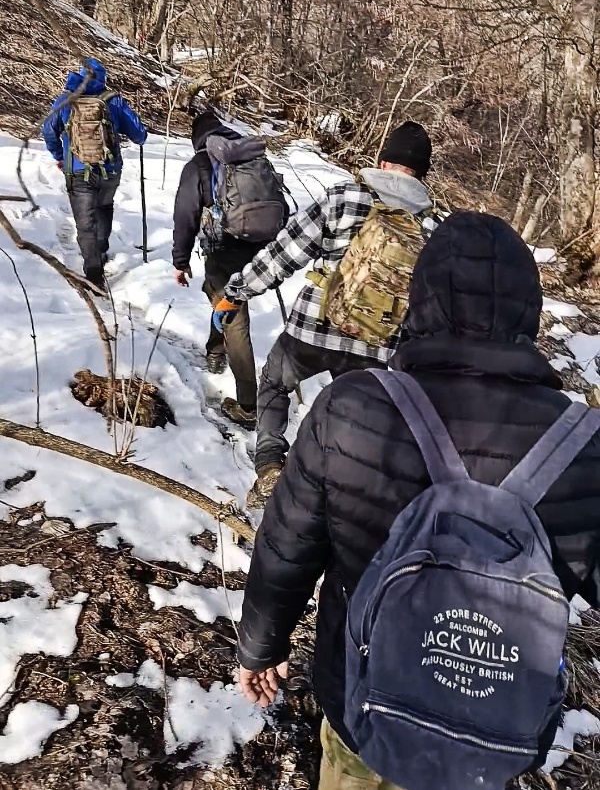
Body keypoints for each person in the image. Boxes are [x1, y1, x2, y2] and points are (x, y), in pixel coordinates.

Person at [236, 211, 600, 790]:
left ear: (420, 300)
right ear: (528, 311)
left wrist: (261, 647)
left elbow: (287, 548)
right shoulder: (585, 444)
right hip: (491, 733)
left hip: (363, 705)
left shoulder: (353, 405)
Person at [220, 121, 436, 500]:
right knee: (352, 419)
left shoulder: (344, 198)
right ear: (421, 173)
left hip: (312, 329)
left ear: (383, 161)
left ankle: (270, 464)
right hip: (376, 346)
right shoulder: (430, 226)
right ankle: (332, 489)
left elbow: (283, 254)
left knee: (274, 382)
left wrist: (237, 291)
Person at [172, 109, 263, 428]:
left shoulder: (199, 165)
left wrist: (180, 261)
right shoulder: (250, 156)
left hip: (224, 250)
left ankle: (249, 407)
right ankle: (214, 348)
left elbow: (185, 216)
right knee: (218, 296)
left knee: (235, 319)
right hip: (261, 249)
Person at [42, 58, 147, 289]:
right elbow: (140, 136)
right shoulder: (114, 101)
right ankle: (100, 250)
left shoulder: (66, 100)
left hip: (78, 171)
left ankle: (93, 272)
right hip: (110, 170)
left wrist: (60, 155)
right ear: (103, 79)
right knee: (104, 207)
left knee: (85, 223)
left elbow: (48, 131)